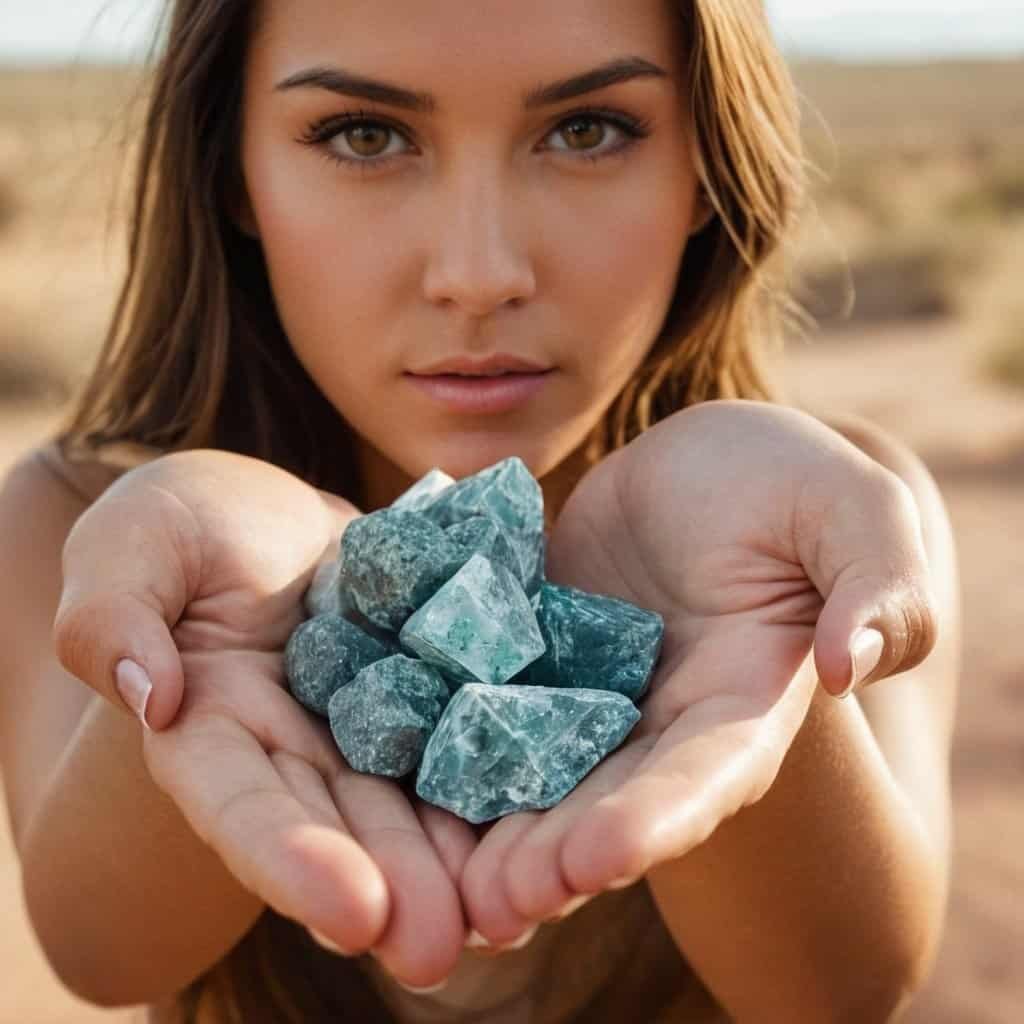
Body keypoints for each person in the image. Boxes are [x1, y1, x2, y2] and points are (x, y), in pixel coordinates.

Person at [0, 1, 959, 1022]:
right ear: (232, 173)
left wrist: (773, 634)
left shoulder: (832, 511)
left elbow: (841, 989)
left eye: (586, 129)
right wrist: (199, 624)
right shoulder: (75, 519)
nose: (479, 275)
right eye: (363, 135)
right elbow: (100, 954)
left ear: (706, 167)